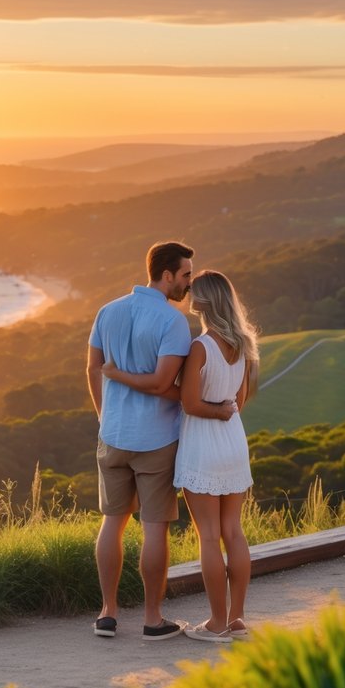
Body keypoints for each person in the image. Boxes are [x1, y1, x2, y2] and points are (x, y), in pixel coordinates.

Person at [102, 270, 259, 644]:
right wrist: (222, 410)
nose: (188, 293)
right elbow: (237, 402)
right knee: (233, 532)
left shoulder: (201, 346)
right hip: (233, 442)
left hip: (203, 445)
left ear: (201, 302)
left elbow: (189, 403)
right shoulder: (245, 344)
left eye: (193, 291)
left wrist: (124, 377)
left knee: (208, 536)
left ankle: (216, 623)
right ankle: (237, 619)